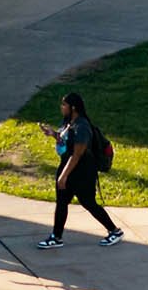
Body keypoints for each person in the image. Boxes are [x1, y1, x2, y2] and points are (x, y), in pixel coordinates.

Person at [38, 91, 123, 249]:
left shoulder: (82, 127)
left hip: (82, 172)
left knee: (88, 202)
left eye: (64, 104)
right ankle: (56, 237)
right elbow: (66, 140)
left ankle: (114, 231)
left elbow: (77, 155)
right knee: (62, 202)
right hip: (68, 166)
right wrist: (53, 134)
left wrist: (64, 176)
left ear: (73, 108)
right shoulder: (69, 122)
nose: (61, 107)